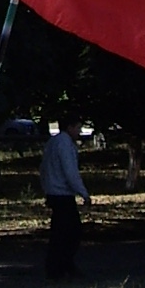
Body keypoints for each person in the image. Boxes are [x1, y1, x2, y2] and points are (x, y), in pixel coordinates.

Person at [41, 117, 89, 279]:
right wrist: (83, 192)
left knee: (60, 232)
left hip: (54, 191)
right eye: (77, 127)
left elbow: (44, 168)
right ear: (69, 127)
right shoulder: (65, 144)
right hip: (63, 193)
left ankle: (59, 266)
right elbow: (70, 172)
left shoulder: (53, 142)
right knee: (71, 232)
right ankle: (61, 266)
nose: (79, 132)